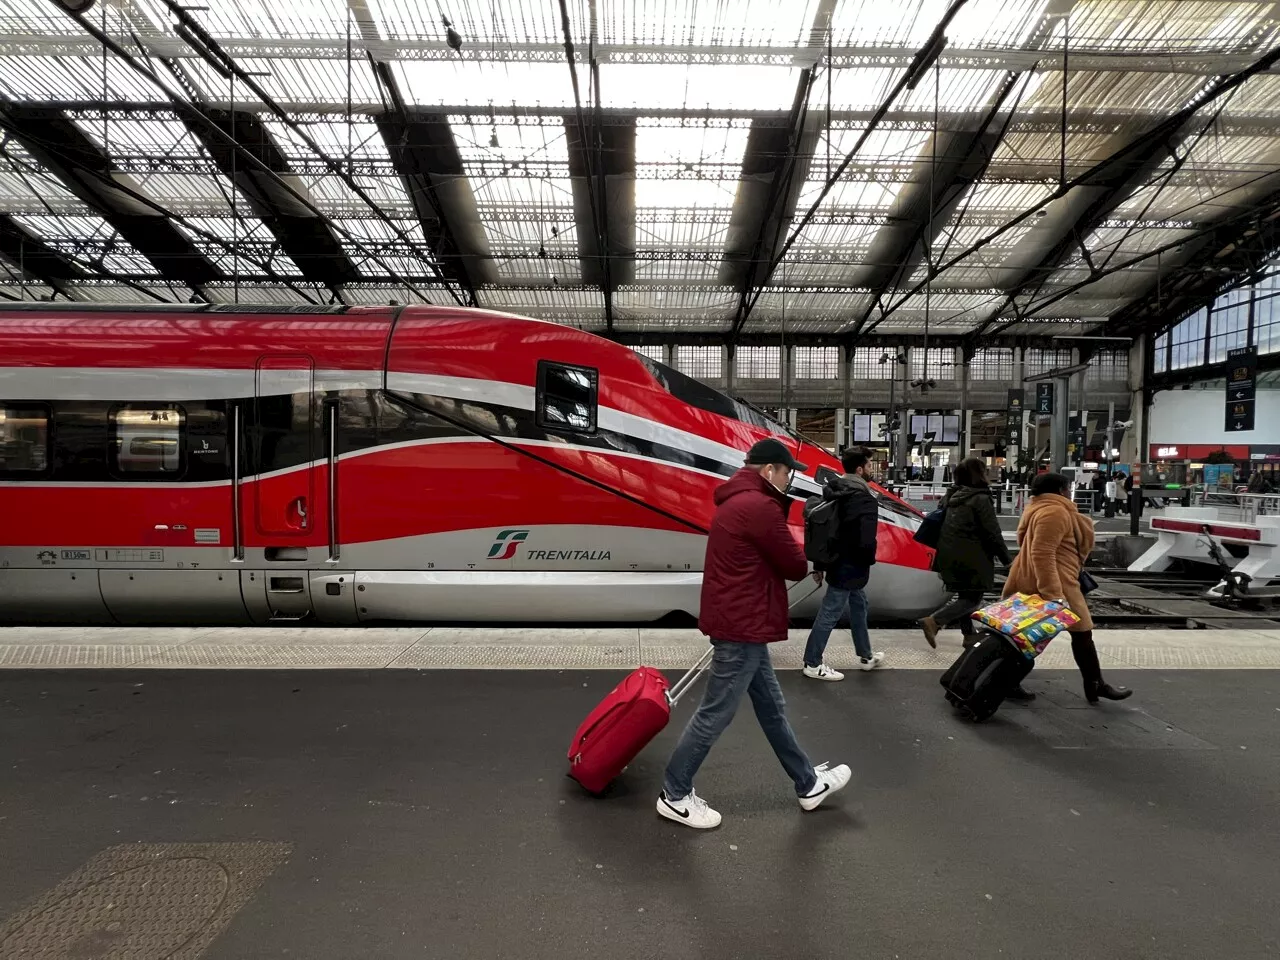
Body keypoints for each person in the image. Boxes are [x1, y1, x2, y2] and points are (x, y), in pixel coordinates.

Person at [657, 437, 851, 829]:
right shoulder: (760, 506)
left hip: (742, 620)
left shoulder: (736, 501)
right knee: (716, 712)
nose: (788, 480)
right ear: (768, 471)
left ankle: (808, 783)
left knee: (771, 707)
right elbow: (795, 565)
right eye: (786, 473)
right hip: (742, 625)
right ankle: (674, 794)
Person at [1002, 472, 1133, 704]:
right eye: (1068, 487)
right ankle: (1008, 682)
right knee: (1067, 635)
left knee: (1075, 634)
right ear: (1061, 490)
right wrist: (1054, 594)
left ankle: (1095, 685)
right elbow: (1042, 553)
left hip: (1042, 580)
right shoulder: (1055, 512)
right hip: (1055, 584)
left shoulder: (1037, 508)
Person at [801, 448, 884, 681]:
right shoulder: (864, 499)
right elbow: (866, 539)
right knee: (830, 612)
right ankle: (812, 663)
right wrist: (868, 561)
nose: (871, 469)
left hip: (835, 562)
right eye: (869, 466)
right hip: (851, 566)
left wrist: (819, 564)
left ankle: (866, 656)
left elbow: (824, 531)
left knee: (859, 604)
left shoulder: (836, 491)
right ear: (859, 469)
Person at [919, 457, 1011, 651]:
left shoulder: (951, 495)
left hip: (948, 553)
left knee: (964, 595)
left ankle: (969, 635)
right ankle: (934, 621)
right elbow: (992, 532)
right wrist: (1006, 560)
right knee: (972, 599)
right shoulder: (980, 498)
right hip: (972, 555)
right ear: (979, 474)